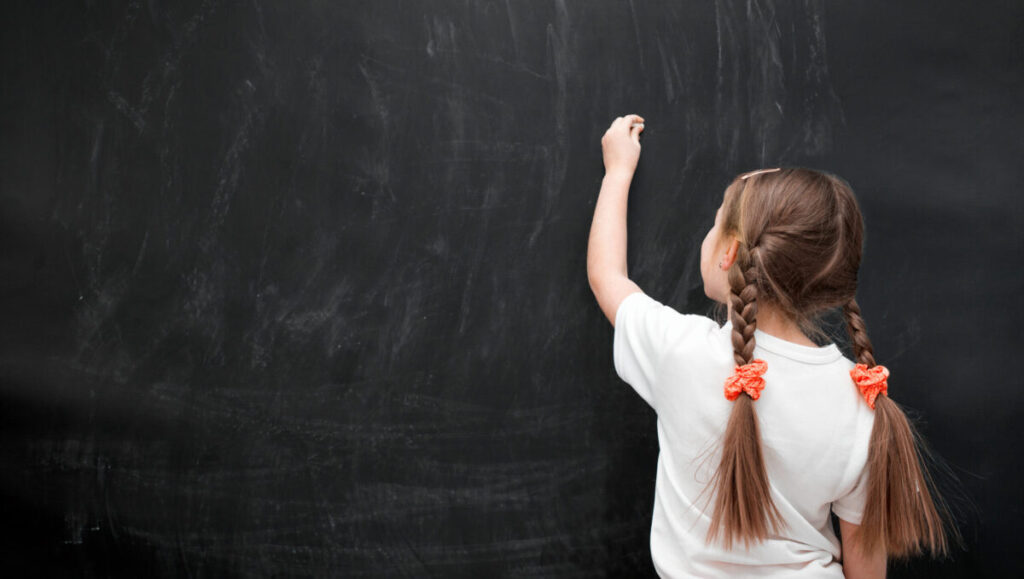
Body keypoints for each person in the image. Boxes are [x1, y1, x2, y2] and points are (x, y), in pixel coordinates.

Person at [586, 115, 952, 578]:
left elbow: (607, 278)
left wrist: (617, 170)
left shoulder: (682, 353)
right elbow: (865, 563)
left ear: (730, 253)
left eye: (717, 220)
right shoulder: (863, 403)